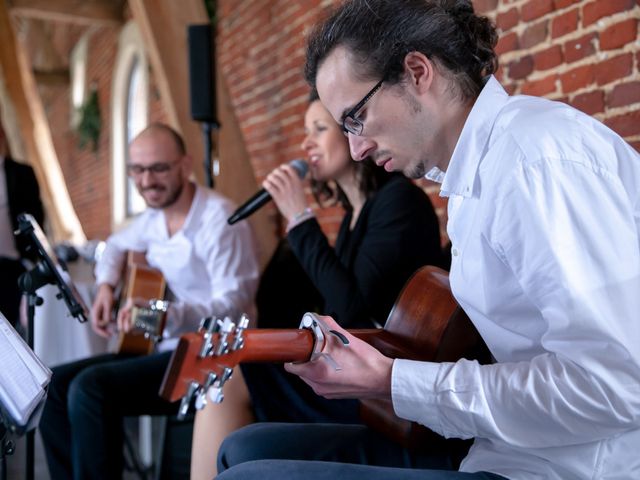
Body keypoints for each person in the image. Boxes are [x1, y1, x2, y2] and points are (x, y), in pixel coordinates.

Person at [216, 1, 640, 479]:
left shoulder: (535, 163)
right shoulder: (469, 178)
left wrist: (393, 380)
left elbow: (616, 386)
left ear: (418, 72)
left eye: (356, 117)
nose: (356, 147)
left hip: (570, 464)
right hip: (499, 443)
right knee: (245, 448)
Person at [190, 91, 446, 479]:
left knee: (232, 380)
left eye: (320, 129)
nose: (307, 143)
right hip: (357, 377)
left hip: (389, 390)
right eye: (306, 131)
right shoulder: (352, 218)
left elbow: (351, 313)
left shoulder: (399, 203)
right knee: (226, 374)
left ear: (352, 134)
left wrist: (298, 216)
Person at [38, 123, 260, 480]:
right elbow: (115, 245)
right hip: (164, 349)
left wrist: (166, 316)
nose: (146, 180)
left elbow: (235, 304)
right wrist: (108, 285)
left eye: (158, 168)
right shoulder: (153, 218)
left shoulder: (220, 220)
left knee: (90, 389)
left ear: (185, 166)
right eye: (137, 170)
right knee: (54, 386)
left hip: (213, 357)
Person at [0, 115, 44, 331]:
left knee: (14, 330)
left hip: (13, 265)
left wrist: (30, 258)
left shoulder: (21, 173)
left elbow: (36, 218)